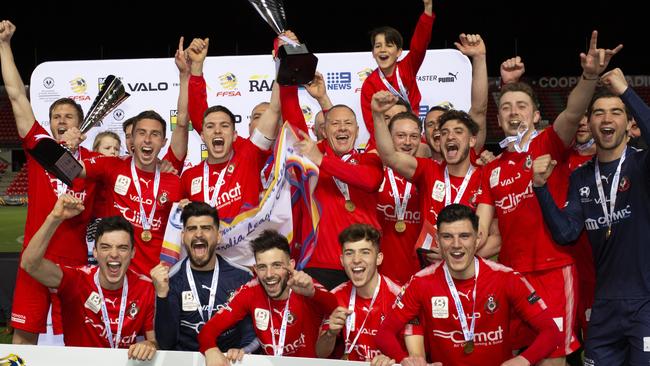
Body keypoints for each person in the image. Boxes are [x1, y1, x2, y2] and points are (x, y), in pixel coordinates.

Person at [475, 31, 622, 364]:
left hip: (554, 271)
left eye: (522, 106)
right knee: (513, 356)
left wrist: (588, 77)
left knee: (551, 358)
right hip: (511, 275)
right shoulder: (490, 170)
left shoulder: (549, 144)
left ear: (536, 116)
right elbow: (483, 229)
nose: (514, 113)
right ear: (498, 120)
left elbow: (572, 113)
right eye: (506, 108)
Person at [532, 68, 650, 365]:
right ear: (590, 123)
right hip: (605, 306)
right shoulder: (582, 177)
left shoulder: (641, 164)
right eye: (598, 113)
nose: (606, 119)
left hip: (646, 304)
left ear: (629, 123)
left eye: (615, 112)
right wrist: (541, 188)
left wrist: (626, 91)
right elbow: (566, 233)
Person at [0, 20, 101, 344]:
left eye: (68, 116)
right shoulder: (39, 147)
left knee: (74, 342)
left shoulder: (92, 163)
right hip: (35, 256)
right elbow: (16, 96)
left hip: (71, 266)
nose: (61, 120)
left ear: (81, 124)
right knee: (23, 339)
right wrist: (4, 45)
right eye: (56, 115)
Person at [376, 204, 561, 366]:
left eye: (464, 236)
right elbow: (384, 334)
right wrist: (404, 360)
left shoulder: (506, 278)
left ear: (477, 239)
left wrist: (522, 360)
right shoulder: (420, 282)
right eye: (447, 237)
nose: (456, 244)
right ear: (438, 241)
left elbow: (551, 331)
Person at [20, 194, 157, 360]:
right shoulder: (77, 280)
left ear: (132, 253)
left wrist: (150, 345)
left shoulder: (145, 287)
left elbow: (154, 341)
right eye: (106, 247)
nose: (114, 254)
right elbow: (30, 264)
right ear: (96, 252)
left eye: (122, 248)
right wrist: (54, 218)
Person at [197, 230, 338, 364]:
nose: (269, 274)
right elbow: (208, 330)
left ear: (291, 265)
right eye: (263, 267)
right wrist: (210, 349)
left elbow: (334, 308)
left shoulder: (304, 284)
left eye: (277, 265)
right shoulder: (251, 290)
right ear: (255, 269)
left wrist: (313, 293)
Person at [181, 37, 281, 219]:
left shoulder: (248, 154)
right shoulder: (189, 176)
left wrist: (283, 63)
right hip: (206, 247)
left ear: (235, 134)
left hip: (246, 246)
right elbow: (198, 115)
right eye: (211, 127)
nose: (217, 131)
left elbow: (274, 109)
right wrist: (196, 68)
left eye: (225, 126)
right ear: (202, 135)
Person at [79, 110, 183, 275]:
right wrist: (66, 146)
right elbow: (69, 169)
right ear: (132, 139)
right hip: (119, 277)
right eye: (141, 133)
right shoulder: (112, 166)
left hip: (159, 277)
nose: (147, 139)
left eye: (155, 134)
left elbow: (180, 231)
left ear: (163, 142)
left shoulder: (174, 181)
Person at [151, 201, 257, 352]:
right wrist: (162, 295)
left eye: (206, 228)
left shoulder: (241, 277)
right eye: (192, 229)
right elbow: (166, 343)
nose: (199, 234)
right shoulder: (170, 279)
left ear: (218, 236)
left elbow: (250, 333)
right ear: (183, 236)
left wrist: (241, 353)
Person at [315, 224, 422, 364]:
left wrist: (395, 360)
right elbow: (320, 354)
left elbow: (418, 358)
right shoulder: (335, 296)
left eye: (365, 252)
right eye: (349, 253)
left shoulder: (402, 297)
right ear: (342, 260)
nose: (356, 259)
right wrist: (330, 334)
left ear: (379, 258)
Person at [360, 0, 434, 150]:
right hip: (383, 137)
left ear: (399, 52)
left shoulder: (407, 68)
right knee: (370, 157)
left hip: (410, 132)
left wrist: (427, 10)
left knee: (425, 152)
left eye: (388, 45)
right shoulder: (369, 84)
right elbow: (372, 123)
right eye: (378, 46)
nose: (382, 50)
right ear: (373, 53)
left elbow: (419, 45)